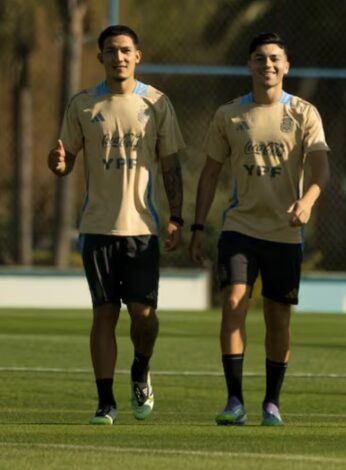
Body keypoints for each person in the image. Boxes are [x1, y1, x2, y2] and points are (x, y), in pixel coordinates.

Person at [189, 32, 330, 426]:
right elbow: (210, 173)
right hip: (240, 229)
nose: (267, 65)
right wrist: (198, 226)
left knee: (277, 318)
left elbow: (322, 170)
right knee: (233, 304)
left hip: (285, 233)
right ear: (249, 65)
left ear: (286, 66)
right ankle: (235, 401)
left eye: (274, 59)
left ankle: (271, 402)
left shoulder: (305, 113)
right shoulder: (229, 115)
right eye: (259, 59)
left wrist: (307, 201)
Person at [47, 25, 185, 425]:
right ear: (100, 58)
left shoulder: (157, 103)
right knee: (103, 315)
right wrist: (57, 165)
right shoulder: (83, 104)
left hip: (142, 229)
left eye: (126, 51)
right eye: (111, 51)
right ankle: (105, 401)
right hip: (97, 228)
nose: (119, 57)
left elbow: (172, 165)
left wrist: (176, 216)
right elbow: (65, 160)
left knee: (144, 317)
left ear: (138, 56)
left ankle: (141, 369)